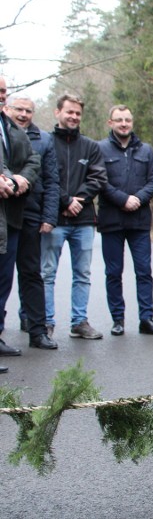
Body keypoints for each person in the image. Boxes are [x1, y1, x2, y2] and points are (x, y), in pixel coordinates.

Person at [42, 94, 107, 339]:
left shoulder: (91, 146)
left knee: (83, 274)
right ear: (57, 112)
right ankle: (45, 322)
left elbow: (99, 178)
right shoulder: (46, 142)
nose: (74, 116)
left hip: (84, 221)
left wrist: (77, 200)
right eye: (69, 112)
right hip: (54, 219)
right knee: (47, 273)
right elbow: (44, 177)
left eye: (78, 113)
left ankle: (79, 321)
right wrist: (65, 200)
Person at [98, 105, 153, 337]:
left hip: (139, 221)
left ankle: (146, 318)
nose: (124, 123)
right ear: (110, 123)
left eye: (127, 119)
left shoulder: (145, 150)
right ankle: (118, 319)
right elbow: (100, 181)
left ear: (132, 122)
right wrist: (123, 199)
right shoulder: (100, 149)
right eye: (119, 120)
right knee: (114, 272)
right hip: (111, 221)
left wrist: (137, 199)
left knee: (144, 271)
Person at [3, 93, 60, 350]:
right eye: (19, 109)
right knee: (3, 276)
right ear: (8, 108)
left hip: (32, 214)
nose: (24, 114)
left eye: (29, 110)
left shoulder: (44, 139)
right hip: (5, 213)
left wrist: (49, 216)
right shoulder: (5, 132)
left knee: (32, 273)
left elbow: (51, 180)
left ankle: (38, 331)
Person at [0, 81, 43, 359]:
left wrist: (20, 178)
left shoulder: (11, 128)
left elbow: (33, 159)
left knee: (4, 280)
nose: (1, 95)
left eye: (3, 91)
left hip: (11, 216)